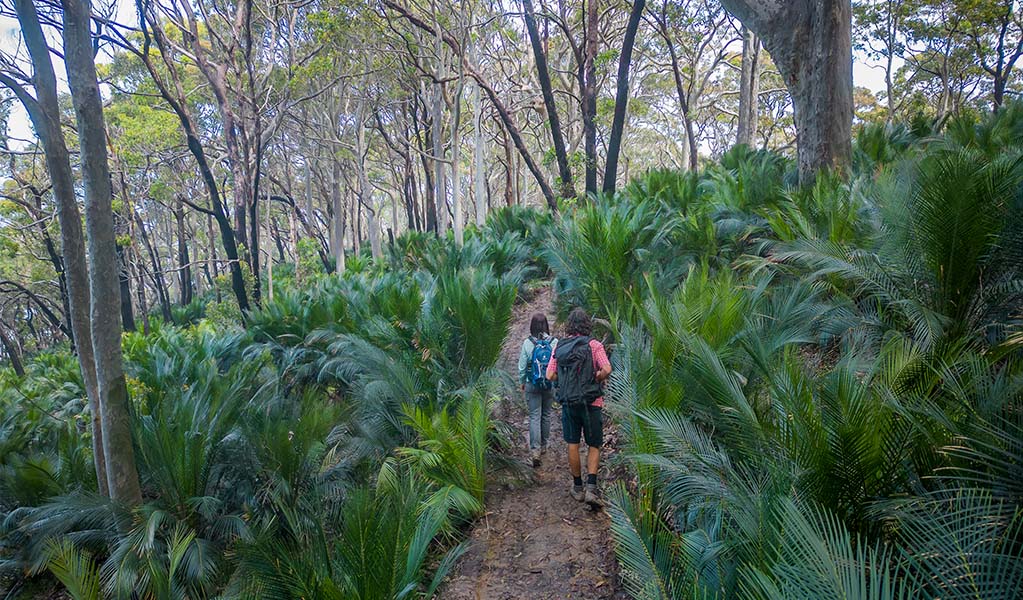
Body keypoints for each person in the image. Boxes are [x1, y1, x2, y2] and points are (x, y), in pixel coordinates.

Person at [546, 307, 611, 509]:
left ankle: (577, 487)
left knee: (572, 443)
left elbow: (550, 375)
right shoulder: (594, 345)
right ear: (587, 325)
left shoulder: (560, 347)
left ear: (569, 326)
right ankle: (592, 487)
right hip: (592, 403)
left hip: (569, 403)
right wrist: (596, 377)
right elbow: (607, 368)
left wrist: (565, 380)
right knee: (593, 444)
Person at [518, 312, 556, 467]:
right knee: (546, 414)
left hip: (532, 383)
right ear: (546, 325)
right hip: (548, 382)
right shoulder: (554, 342)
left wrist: (522, 382)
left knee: (534, 416)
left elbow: (522, 367)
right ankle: (545, 445)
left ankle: (535, 450)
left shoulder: (527, 344)